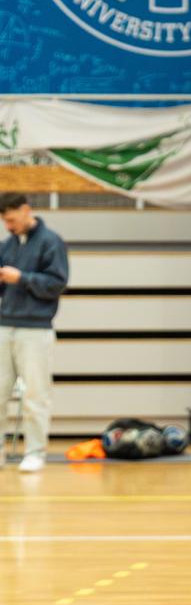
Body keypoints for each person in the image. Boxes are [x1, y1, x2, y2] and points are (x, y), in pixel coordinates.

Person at [0, 193, 69, 473]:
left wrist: (22, 278)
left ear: (26, 210)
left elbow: (57, 283)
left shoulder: (51, 242)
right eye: (4, 221)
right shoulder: (7, 244)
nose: (8, 226)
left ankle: (35, 452)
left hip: (35, 329)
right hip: (5, 326)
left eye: (11, 220)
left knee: (35, 395)